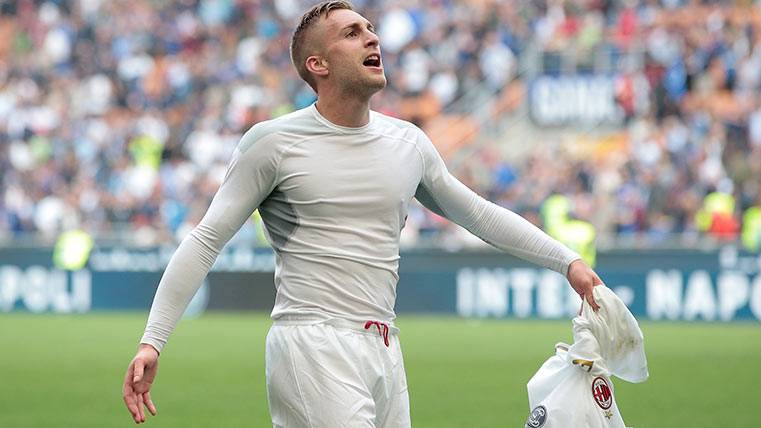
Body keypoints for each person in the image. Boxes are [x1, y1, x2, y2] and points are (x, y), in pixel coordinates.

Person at [122, 2, 603, 426]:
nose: (372, 37)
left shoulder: (408, 143)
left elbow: (477, 214)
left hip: (386, 346)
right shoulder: (273, 142)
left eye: (370, 28)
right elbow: (206, 241)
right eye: (352, 33)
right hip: (312, 343)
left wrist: (568, 262)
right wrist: (153, 341)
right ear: (318, 64)